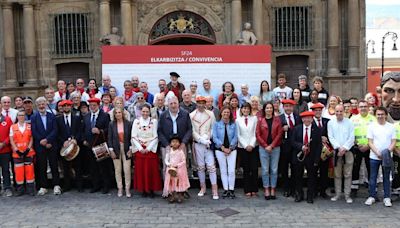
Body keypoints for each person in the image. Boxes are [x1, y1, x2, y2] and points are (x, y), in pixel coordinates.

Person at [365, 107, 396, 207]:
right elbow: (370, 142)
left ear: (386, 115)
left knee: (386, 178)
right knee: (373, 177)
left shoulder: (391, 127)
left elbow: (393, 142)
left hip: (387, 157)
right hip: (374, 156)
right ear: (375, 115)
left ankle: (387, 197)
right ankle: (371, 196)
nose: (380, 116)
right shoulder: (371, 126)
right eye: (378, 114)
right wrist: (377, 152)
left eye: (382, 114)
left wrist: (386, 152)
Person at [190, 96, 219, 200]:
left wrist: (207, 137)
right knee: (201, 167)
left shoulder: (210, 114)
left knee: (211, 166)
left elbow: (213, 127)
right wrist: (200, 139)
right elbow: (192, 130)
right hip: (198, 143)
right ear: (196, 103)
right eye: (199, 103)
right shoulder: (192, 115)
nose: (201, 105)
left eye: (203, 103)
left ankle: (214, 188)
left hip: (208, 143)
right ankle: (203, 187)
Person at [31, 97, 61, 196]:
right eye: (39, 104)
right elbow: (34, 131)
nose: (41, 106)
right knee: (42, 166)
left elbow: (55, 130)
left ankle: (56, 185)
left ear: (46, 104)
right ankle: (43, 186)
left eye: (43, 103)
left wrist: (48, 140)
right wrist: (42, 141)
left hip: (51, 144)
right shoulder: (34, 117)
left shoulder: (52, 115)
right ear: (37, 106)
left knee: (54, 165)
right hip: (40, 145)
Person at [131, 104, 162, 198]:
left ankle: (151, 189)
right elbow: (133, 136)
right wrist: (140, 148)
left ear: (149, 112)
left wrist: (148, 148)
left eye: (147, 111)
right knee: (141, 171)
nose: (145, 113)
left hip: (150, 149)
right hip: (140, 150)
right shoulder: (136, 122)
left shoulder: (154, 122)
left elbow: (156, 136)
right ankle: (143, 189)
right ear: (140, 112)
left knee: (151, 170)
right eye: (143, 111)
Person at [291, 111, 322, 204]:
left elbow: (318, 146)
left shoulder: (316, 130)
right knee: (298, 176)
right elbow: (292, 142)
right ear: (302, 119)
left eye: (309, 118)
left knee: (311, 177)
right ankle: (299, 194)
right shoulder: (297, 129)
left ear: (312, 119)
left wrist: (316, 160)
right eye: (305, 118)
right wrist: (301, 146)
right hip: (299, 156)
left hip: (311, 157)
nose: (307, 120)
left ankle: (310, 196)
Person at [82, 97, 112, 194]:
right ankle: (95, 185)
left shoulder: (105, 115)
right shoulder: (86, 116)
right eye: (90, 105)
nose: (92, 107)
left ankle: (106, 186)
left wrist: (100, 131)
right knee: (93, 167)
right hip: (89, 145)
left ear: (98, 105)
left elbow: (109, 129)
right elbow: (83, 129)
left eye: (94, 105)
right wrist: (84, 140)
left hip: (101, 145)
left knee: (103, 167)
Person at [158, 96, 192, 176]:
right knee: (167, 167)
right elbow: (159, 131)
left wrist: (183, 143)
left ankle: (182, 187)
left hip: (181, 146)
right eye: (171, 104)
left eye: (175, 103)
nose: (173, 105)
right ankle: (168, 187)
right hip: (167, 146)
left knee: (182, 167)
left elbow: (189, 130)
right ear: (167, 105)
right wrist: (166, 145)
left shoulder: (185, 114)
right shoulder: (163, 115)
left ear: (178, 104)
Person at [328, 104, 355, 203]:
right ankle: (338, 194)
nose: (339, 113)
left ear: (344, 111)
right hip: (337, 152)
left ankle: (347, 195)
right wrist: (338, 148)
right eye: (337, 111)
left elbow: (352, 137)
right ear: (334, 112)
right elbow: (331, 137)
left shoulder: (349, 122)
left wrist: (344, 148)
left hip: (348, 151)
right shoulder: (331, 123)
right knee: (337, 174)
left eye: (341, 111)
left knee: (348, 174)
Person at [56, 99, 84, 192]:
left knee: (78, 167)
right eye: (64, 106)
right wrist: (62, 141)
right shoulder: (58, 119)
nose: (66, 107)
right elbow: (57, 133)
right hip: (64, 147)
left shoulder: (77, 118)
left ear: (70, 107)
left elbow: (80, 131)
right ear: (62, 108)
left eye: (68, 106)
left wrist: (76, 139)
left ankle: (79, 186)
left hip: (75, 146)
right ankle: (67, 185)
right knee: (66, 168)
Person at [256, 102, 283, 199]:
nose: (269, 110)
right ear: (264, 109)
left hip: (275, 148)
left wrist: (272, 145)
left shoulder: (277, 120)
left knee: (274, 169)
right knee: (265, 169)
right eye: (267, 108)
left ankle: (273, 188)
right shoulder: (260, 120)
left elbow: (279, 134)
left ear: (273, 109)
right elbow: (258, 135)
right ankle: (266, 188)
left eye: (270, 108)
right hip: (263, 148)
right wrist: (265, 145)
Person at [350, 100, 375, 196]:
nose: (363, 108)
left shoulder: (374, 119)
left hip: (370, 147)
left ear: (368, 107)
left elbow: (376, 134)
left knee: (370, 169)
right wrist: (356, 143)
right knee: (355, 168)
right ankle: (354, 189)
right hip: (357, 147)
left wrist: (368, 145)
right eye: (361, 107)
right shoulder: (353, 119)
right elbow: (350, 134)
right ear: (358, 108)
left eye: (365, 106)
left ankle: (372, 190)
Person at [213, 106, 238, 199]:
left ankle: (231, 189)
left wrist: (230, 148)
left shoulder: (233, 124)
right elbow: (214, 137)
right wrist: (223, 148)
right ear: (221, 113)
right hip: (220, 150)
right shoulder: (216, 124)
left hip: (232, 150)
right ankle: (225, 189)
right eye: (224, 112)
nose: (226, 114)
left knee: (231, 170)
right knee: (223, 170)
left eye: (228, 112)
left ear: (230, 114)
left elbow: (236, 136)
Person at [108, 107, 133, 198]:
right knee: (117, 170)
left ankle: (127, 188)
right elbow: (109, 138)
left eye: (119, 112)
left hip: (126, 148)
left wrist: (131, 149)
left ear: (122, 113)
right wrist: (111, 150)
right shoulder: (111, 124)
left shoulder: (128, 124)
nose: (118, 114)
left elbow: (131, 137)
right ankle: (120, 188)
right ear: (114, 114)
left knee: (127, 169)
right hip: (116, 148)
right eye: (116, 113)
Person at [9, 110, 36, 196]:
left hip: (28, 152)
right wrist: (16, 149)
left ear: (25, 116)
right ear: (17, 117)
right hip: (17, 153)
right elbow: (11, 139)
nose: (21, 117)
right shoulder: (12, 127)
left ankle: (30, 190)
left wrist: (28, 148)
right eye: (19, 115)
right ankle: (20, 190)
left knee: (30, 171)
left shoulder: (29, 126)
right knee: (19, 172)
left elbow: (31, 138)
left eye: (23, 115)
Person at [279, 99, 301, 197]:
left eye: (290, 106)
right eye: (286, 106)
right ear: (283, 107)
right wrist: (281, 129)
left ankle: (294, 188)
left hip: (295, 147)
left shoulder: (298, 117)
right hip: (284, 147)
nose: (288, 108)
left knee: (295, 168)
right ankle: (286, 188)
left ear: (293, 107)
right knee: (284, 169)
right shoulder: (279, 118)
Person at [162, 135, 191, 203]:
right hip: (171, 169)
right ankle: (172, 195)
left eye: (177, 142)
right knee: (171, 182)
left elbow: (183, 161)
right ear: (170, 143)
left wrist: (177, 165)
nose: (175, 143)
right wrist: (169, 164)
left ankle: (180, 196)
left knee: (178, 182)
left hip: (179, 170)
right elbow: (166, 160)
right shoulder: (169, 152)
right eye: (173, 142)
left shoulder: (180, 152)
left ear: (179, 143)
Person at [311, 102, 331, 199]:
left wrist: (326, 138)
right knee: (313, 171)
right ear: (313, 112)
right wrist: (320, 137)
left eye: (319, 110)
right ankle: (313, 191)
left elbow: (331, 134)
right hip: (314, 151)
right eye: (316, 110)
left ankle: (323, 191)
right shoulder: (310, 122)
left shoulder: (327, 121)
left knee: (324, 171)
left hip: (325, 151)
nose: (318, 112)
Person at [0, 102, 13, 197]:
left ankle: (7, 187)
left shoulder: (7, 119)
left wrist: (4, 143)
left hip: (5, 150)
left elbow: (11, 134)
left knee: (6, 170)